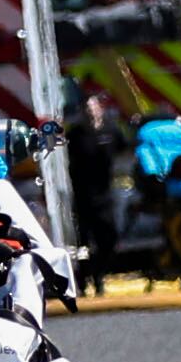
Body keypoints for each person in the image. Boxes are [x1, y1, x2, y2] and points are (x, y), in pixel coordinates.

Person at [63, 88, 124, 283]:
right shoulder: (77, 133)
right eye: (86, 108)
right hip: (83, 193)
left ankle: (100, 272)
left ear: (101, 109)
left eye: (93, 107)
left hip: (105, 191)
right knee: (84, 241)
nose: (90, 111)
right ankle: (85, 278)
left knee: (109, 237)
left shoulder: (111, 130)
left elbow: (123, 148)